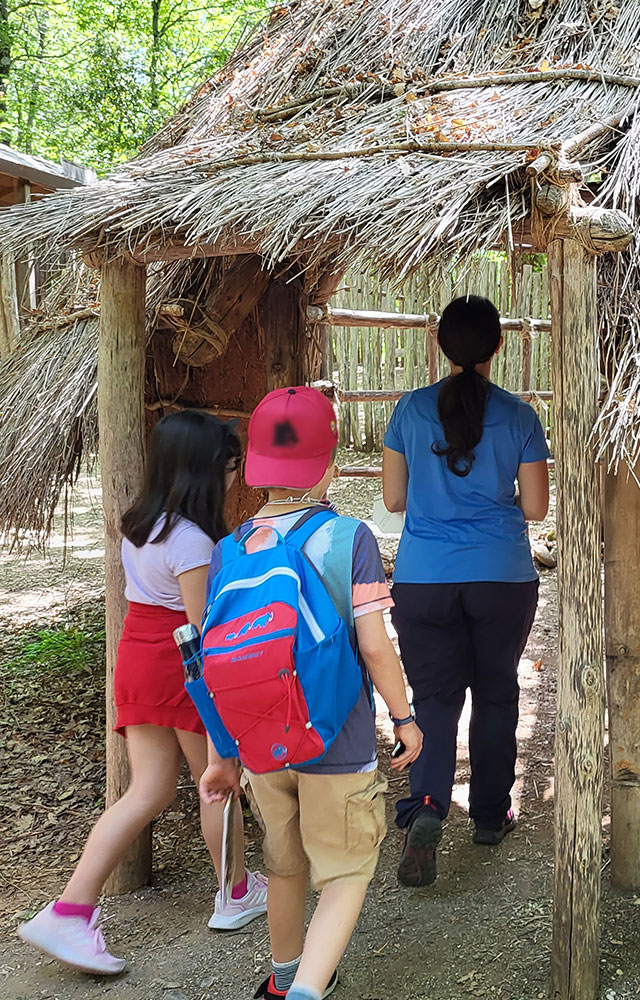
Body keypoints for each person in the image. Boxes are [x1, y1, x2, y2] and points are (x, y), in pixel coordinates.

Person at [17, 411, 266, 976]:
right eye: (232, 467)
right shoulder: (195, 540)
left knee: (146, 792)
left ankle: (70, 909)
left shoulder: (141, 524)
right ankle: (235, 892)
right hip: (184, 669)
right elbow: (206, 629)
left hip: (137, 656)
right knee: (217, 785)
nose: (236, 477)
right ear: (206, 471)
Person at [198, 386, 423, 1000]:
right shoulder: (349, 540)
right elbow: (375, 647)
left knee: (286, 863)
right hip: (337, 740)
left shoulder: (228, 549)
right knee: (348, 870)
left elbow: (213, 655)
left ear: (254, 468)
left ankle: (284, 978)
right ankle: (306, 994)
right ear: (328, 466)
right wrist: (405, 718)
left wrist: (225, 753)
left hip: (263, 744)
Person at [381, 295, 549, 887]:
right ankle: (487, 814)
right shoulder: (521, 417)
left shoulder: (409, 410)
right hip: (501, 576)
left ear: (440, 344)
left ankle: (425, 806)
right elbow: (535, 506)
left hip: (423, 578)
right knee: (497, 693)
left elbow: (394, 501)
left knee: (434, 697)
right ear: (499, 345)